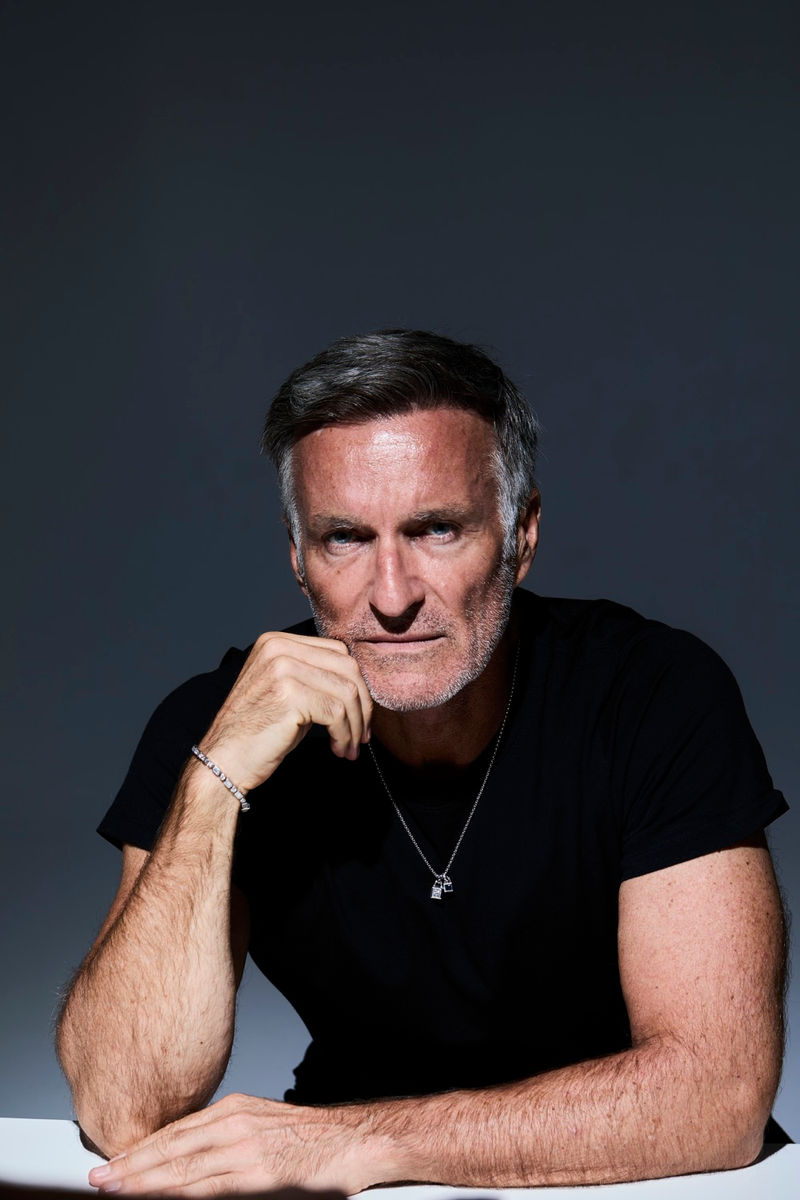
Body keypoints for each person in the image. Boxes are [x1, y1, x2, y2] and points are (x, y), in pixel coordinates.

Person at [56, 329, 789, 1195]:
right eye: (344, 538)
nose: (393, 595)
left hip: (632, 1181)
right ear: (297, 559)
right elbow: (123, 1106)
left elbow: (717, 1096)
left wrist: (355, 1141)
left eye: (437, 529)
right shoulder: (217, 724)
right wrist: (215, 779)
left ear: (520, 535)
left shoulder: (652, 695)